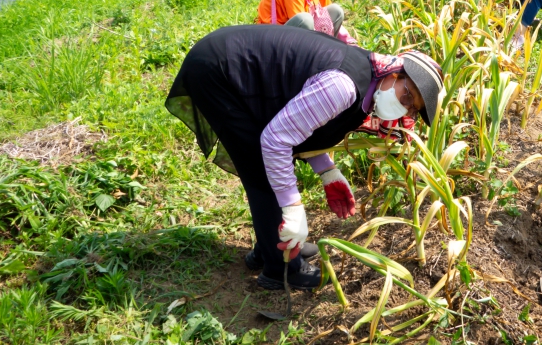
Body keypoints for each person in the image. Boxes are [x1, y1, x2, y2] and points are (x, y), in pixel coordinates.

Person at [165, 26, 444, 290]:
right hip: (219, 70)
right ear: (395, 74)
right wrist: (292, 208)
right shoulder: (343, 87)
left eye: (412, 108)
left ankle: (268, 247)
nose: (404, 108)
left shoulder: (368, 79)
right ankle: (281, 271)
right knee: (260, 169)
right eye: (407, 95)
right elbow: (276, 139)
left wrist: (328, 171)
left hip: (234, 66)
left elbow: (304, 125)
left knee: (266, 167)